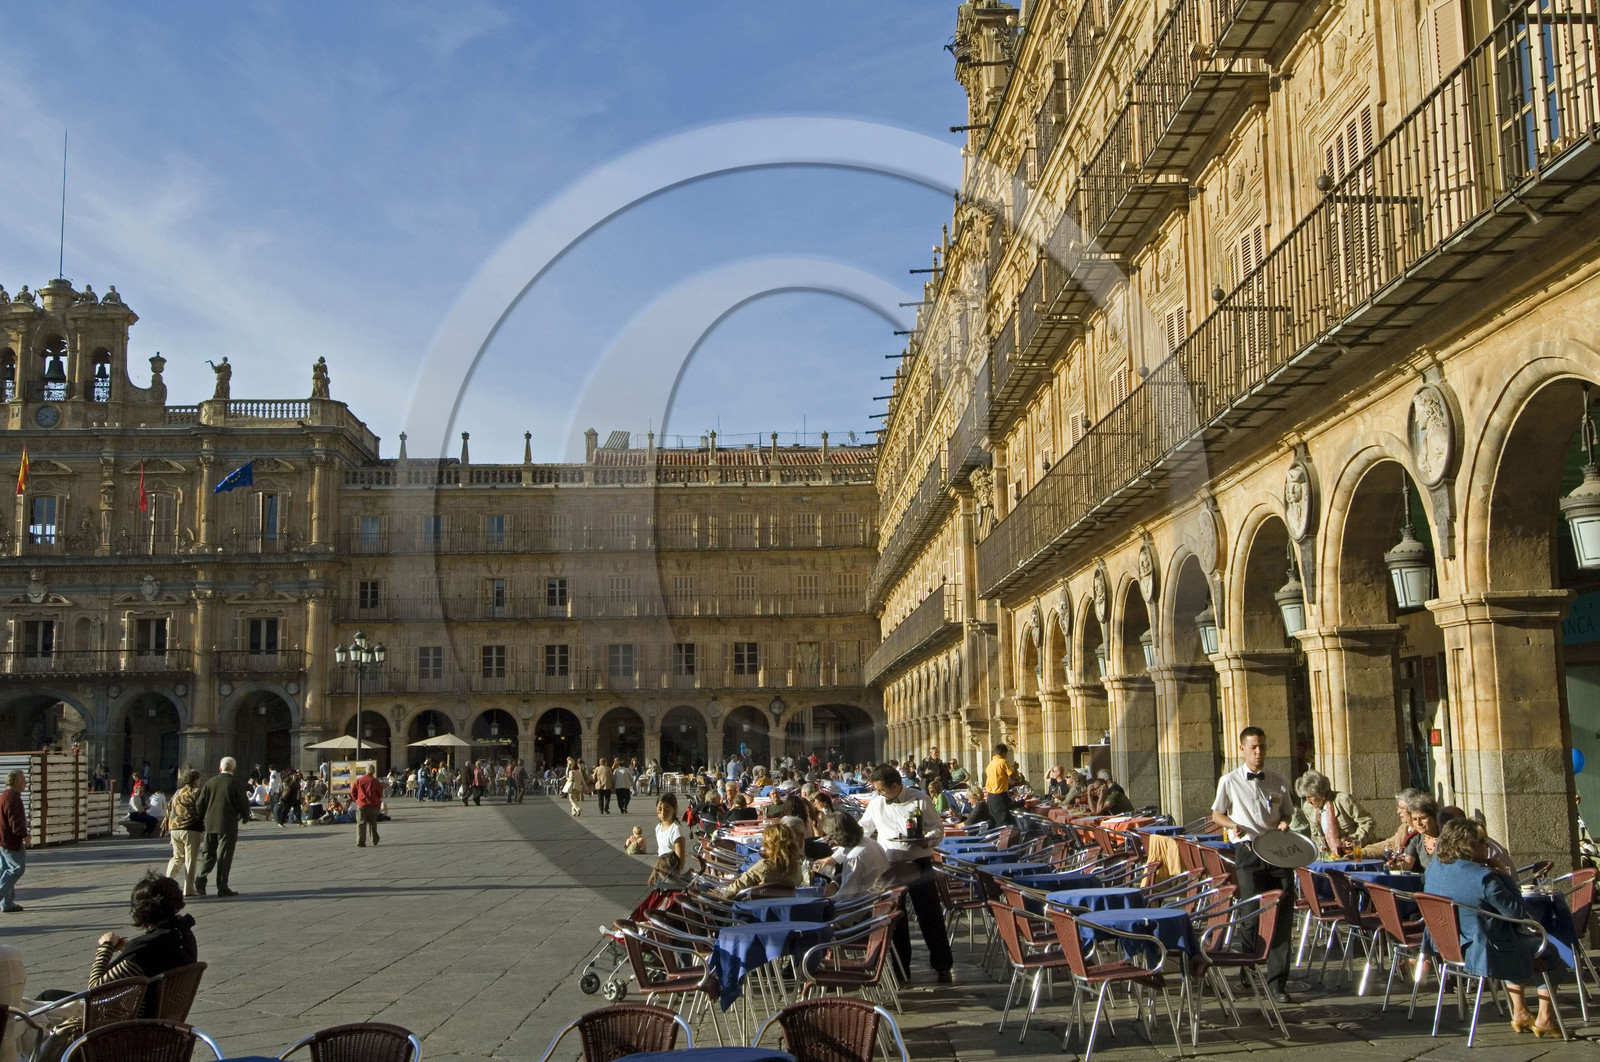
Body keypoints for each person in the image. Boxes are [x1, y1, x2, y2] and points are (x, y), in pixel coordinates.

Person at [1424, 817, 1562, 1036]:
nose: (1487, 847)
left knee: (1512, 940)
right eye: (1482, 841)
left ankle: (1521, 1012)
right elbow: (1517, 912)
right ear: (1467, 845)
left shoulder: (1434, 869)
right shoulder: (1485, 878)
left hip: (1451, 946)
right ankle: (1545, 1018)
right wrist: (1504, 876)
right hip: (1486, 949)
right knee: (1548, 951)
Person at [1211, 726, 1297, 1003]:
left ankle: (1277, 982)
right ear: (1242, 750)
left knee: (1283, 913)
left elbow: (1287, 814)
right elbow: (1216, 814)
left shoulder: (1278, 780)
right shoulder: (1229, 781)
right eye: (1253, 747)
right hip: (1247, 852)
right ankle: (1248, 966)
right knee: (1250, 911)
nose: (1259, 752)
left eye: (1262, 747)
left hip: (1277, 851)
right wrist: (1232, 824)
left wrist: (1285, 823)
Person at [860, 764, 954, 983]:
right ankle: (901, 971)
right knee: (895, 920)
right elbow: (863, 830)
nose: (879, 793)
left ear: (896, 785)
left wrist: (925, 839)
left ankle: (942, 966)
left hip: (919, 862)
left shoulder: (920, 798)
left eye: (882, 789)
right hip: (890, 867)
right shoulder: (876, 804)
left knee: (930, 916)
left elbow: (937, 830)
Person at [89, 872, 198, 1012]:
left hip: (129, 1022)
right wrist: (128, 948)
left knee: (52, 996)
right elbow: (157, 957)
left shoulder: (142, 950)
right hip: (164, 1018)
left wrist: (106, 947)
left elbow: (95, 991)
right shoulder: (183, 933)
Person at [194, 756, 252, 898]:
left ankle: (200, 882)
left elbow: (200, 804)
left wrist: (201, 818)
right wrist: (245, 817)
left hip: (210, 824)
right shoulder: (236, 783)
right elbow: (244, 803)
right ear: (234, 769)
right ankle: (222, 886)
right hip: (228, 825)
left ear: (220, 768)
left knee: (208, 853)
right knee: (224, 855)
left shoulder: (210, 782)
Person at [1293, 770, 1375, 855]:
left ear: (1321, 794)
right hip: (1330, 858)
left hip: (1357, 854)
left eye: (1310, 796)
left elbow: (1368, 821)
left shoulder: (1343, 800)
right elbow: (1316, 838)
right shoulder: (1308, 807)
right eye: (1305, 797)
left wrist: (1355, 838)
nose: (1308, 801)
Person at [816, 810, 890, 900]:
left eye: (833, 837)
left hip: (867, 904)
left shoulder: (854, 857)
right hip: (883, 895)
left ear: (839, 837)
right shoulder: (870, 842)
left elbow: (846, 895)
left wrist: (825, 902)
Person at [717, 823, 805, 898]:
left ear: (769, 846)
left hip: (757, 912)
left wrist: (720, 895)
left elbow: (737, 887)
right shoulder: (797, 867)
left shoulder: (764, 866)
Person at [163, 770, 205, 898]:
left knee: (177, 857)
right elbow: (202, 809)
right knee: (190, 859)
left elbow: (169, 808)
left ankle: (165, 883)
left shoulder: (177, 792)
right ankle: (189, 888)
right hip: (190, 828)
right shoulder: (196, 792)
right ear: (195, 780)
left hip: (174, 828)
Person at [1, 769, 27, 912]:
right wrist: (24, 835)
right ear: (16, 782)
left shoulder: (5, 795)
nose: (25, 783)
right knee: (16, 868)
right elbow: (15, 821)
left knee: (5, 868)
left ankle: (7, 903)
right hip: (10, 841)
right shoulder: (12, 798)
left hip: (3, 839)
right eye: (23, 780)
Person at [648, 794, 688, 886]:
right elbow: (660, 853)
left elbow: (680, 861)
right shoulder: (658, 827)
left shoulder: (676, 830)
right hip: (663, 872)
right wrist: (656, 870)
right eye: (659, 809)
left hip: (676, 875)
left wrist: (670, 877)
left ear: (674, 809)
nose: (662, 813)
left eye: (667, 810)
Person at [1397, 795, 1445, 871]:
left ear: (1435, 817)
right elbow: (1408, 863)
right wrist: (1393, 866)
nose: (1418, 823)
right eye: (1415, 819)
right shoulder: (1416, 838)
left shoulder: (1446, 838)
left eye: (1423, 818)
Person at [1377, 788, 1425, 857]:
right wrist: (1360, 851)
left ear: (1412, 809)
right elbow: (1389, 844)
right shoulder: (1404, 828)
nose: (1398, 811)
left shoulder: (1422, 831)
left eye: (1402, 808)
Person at [351, 763, 384, 848]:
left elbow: (353, 791)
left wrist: (356, 799)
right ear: (374, 772)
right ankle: (374, 840)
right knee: (373, 823)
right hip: (373, 805)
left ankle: (360, 841)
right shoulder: (376, 782)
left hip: (361, 804)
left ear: (365, 771)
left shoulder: (359, 780)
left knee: (361, 823)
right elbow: (380, 793)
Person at [984, 743, 1015, 827]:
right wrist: (1014, 769)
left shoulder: (990, 764)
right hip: (1000, 795)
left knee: (995, 820)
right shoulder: (1003, 762)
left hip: (991, 796)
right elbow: (1012, 776)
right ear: (1004, 752)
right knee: (1004, 821)